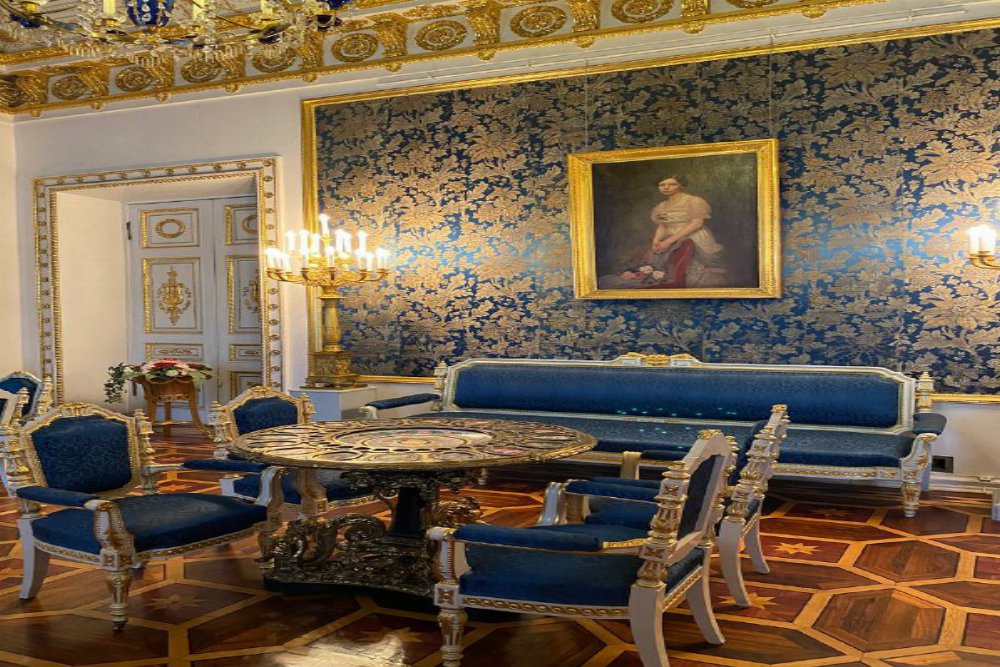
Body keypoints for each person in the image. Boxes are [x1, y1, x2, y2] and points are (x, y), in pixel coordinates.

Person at [598, 175, 727, 289]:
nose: (666, 187)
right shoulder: (661, 206)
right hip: (668, 239)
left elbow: (696, 223)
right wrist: (656, 241)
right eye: (662, 184)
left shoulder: (694, 201)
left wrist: (669, 241)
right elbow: (663, 226)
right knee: (662, 267)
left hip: (692, 236)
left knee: (694, 271)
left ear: (681, 185)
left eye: (672, 184)